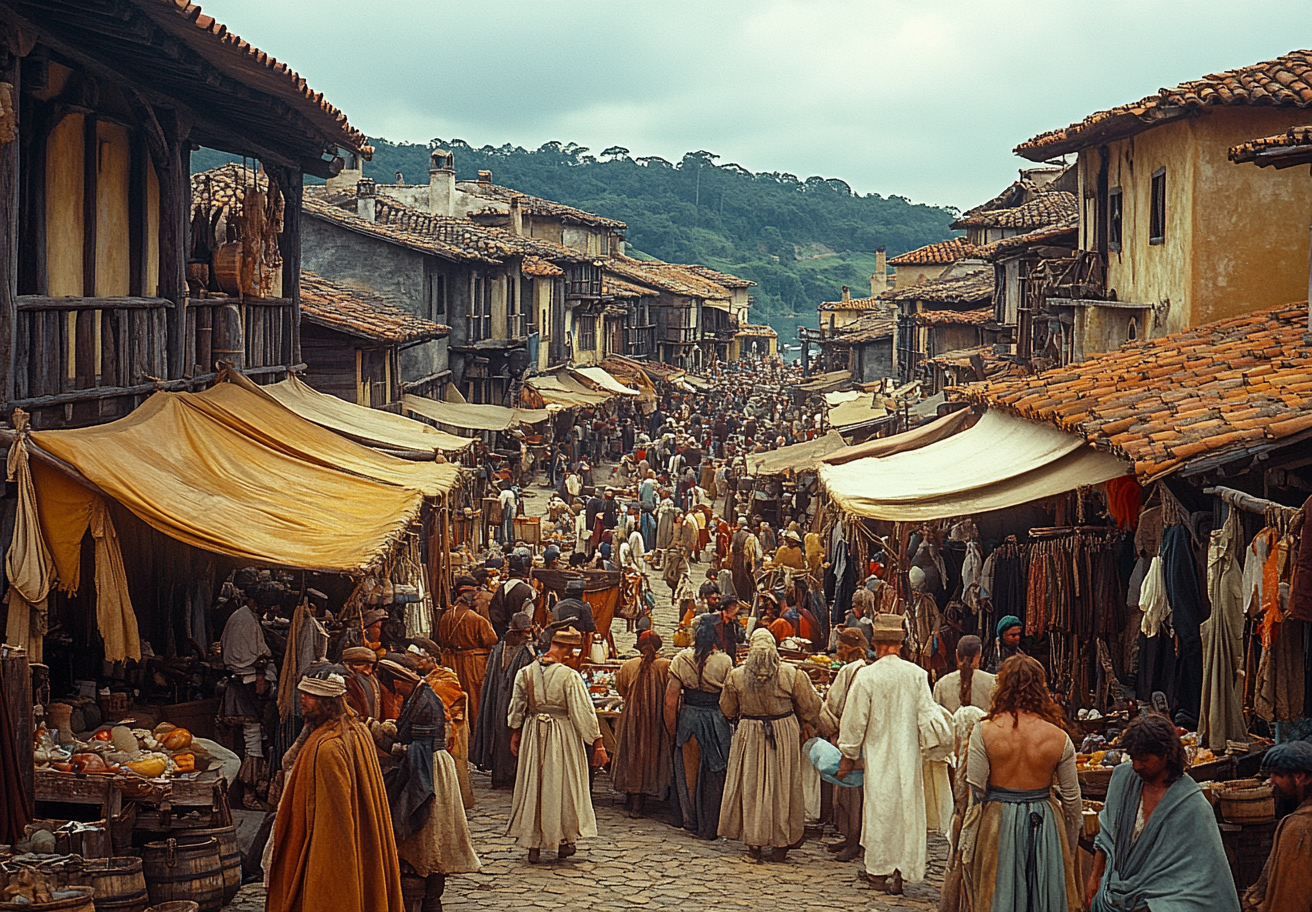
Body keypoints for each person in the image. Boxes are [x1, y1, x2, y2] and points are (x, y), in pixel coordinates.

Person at [266, 670, 403, 912]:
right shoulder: (355, 729)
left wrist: (327, 868)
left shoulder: (330, 747)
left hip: (330, 847)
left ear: (327, 701)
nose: (302, 699)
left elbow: (334, 822)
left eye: (310, 695)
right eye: (303, 693)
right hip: (355, 843)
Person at [837, 614, 952, 895]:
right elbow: (928, 718)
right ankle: (901, 872)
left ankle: (878, 871)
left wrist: (848, 755)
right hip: (909, 757)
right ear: (900, 645)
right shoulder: (916, 676)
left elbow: (854, 721)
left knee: (879, 812)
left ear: (875, 644)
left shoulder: (867, 676)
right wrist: (936, 747)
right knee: (906, 813)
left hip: (878, 758)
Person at [961, 655, 1081, 912]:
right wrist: (1066, 849)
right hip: (1046, 823)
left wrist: (966, 844)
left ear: (1002, 686)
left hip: (997, 822)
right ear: (1041, 687)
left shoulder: (984, 732)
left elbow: (975, 791)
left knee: (997, 898)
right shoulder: (1059, 737)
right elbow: (1072, 802)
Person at [1085, 714, 1238, 912]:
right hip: (1113, 895)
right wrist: (1095, 878)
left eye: (1144, 760)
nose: (1136, 766)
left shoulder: (1192, 806)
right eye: (1133, 758)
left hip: (1163, 898)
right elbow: (1105, 838)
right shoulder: (1123, 779)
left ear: (1166, 755)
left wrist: (1158, 906)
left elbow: (1204, 878)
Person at [377, 659, 481, 912]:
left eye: (395, 688)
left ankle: (428, 901)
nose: (395, 692)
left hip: (431, 768)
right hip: (429, 763)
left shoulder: (425, 701)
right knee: (427, 838)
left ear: (400, 682)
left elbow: (421, 748)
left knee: (427, 832)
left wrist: (389, 744)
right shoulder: (419, 695)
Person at [718, 627, 822, 861]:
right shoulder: (792, 674)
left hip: (750, 733)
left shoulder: (737, 676)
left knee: (752, 786)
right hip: (783, 732)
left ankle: (754, 844)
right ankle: (780, 844)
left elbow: (727, 708)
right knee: (782, 786)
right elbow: (811, 707)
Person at [507, 626, 607, 863]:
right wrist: (597, 741)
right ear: (566, 648)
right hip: (561, 734)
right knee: (561, 783)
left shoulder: (526, 673)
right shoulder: (568, 676)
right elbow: (583, 711)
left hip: (533, 733)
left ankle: (534, 843)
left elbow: (517, 706)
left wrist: (516, 732)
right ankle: (563, 839)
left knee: (536, 782)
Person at [665, 614, 735, 840]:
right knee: (716, 771)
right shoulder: (724, 662)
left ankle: (691, 818)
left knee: (689, 772)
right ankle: (712, 820)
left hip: (689, 719)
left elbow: (670, 700)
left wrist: (672, 730)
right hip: (716, 719)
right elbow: (728, 699)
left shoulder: (681, 660)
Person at [218, 577, 278, 808]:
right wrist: (262, 675)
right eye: (262, 604)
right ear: (254, 601)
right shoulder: (244, 620)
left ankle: (251, 790)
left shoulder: (246, 618)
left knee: (256, 737)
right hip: (246, 685)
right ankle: (248, 795)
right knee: (252, 739)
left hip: (244, 682)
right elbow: (255, 657)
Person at [818, 627, 869, 862]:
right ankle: (851, 837)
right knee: (856, 791)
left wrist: (828, 724)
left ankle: (853, 840)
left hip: (850, 736)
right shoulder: (866, 669)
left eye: (840, 648)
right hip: (863, 736)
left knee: (850, 791)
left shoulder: (850, 671)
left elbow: (835, 704)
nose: (838, 652)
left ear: (848, 649)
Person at [1244, 740, 1312, 911]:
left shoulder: (1299, 827)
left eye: (1278, 774)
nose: (1271, 780)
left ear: (1300, 777)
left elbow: (1291, 898)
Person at [472, 613, 537, 789]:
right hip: (497, 698)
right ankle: (500, 775)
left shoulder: (527, 652)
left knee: (511, 734)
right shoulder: (499, 650)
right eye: (523, 634)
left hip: (514, 699)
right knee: (498, 733)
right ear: (513, 634)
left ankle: (512, 775)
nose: (527, 638)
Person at [612, 631, 673, 818]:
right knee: (651, 753)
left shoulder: (628, 666)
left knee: (633, 752)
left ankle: (633, 795)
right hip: (656, 718)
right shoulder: (666, 666)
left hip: (632, 719)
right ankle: (646, 795)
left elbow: (621, 689)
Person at [436, 576, 498, 729]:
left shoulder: (445, 617)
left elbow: (441, 640)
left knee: (454, 697)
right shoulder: (477, 619)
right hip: (471, 666)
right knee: (473, 700)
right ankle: (474, 733)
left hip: (450, 663)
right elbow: (492, 640)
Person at [934, 636, 995, 713]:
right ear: (978, 655)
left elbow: (936, 716)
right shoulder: (992, 683)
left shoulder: (942, 684)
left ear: (957, 655)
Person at [545, 578, 597, 667]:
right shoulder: (584, 606)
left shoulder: (557, 606)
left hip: (556, 644)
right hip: (576, 645)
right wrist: (587, 654)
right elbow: (590, 631)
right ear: (582, 593)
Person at [489, 556, 535, 639]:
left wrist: (502, 631)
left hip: (502, 635)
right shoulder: (528, 590)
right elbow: (528, 616)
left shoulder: (500, 588)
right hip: (521, 637)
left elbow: (494, 613)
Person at [342, 646, 382, 721]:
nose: (368, 671)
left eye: (371, 667)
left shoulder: (372, 679)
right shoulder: (345, 682)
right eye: (360, 664)